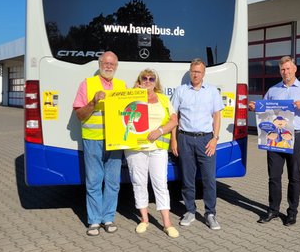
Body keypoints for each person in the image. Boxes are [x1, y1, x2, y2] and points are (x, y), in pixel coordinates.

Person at [249, 55, 300, 226]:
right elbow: (264, 109)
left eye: (288, 68)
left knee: (294, 176)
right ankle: (273, 210)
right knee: (274, 176)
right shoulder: (273, 90)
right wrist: (254, 107)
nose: (285, 72)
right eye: (282, 69)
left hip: (295, 135)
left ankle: (292, 213)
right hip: (274, 137)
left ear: (295, 69)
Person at [73, 51, 126, 236]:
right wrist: (93, 102)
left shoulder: (121, 86)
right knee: (94, 181)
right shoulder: (87, 84)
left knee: (112, 182)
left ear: (116, 66)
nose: (109, 66)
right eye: (106, 63)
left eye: (112, 64)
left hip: (116, 141)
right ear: (99, 63)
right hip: (93, 139)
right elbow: (79, 115)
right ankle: (94, 221)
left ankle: (108, 218)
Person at [124, 69, 180, 238]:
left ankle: (167, 223)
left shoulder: (163, 98)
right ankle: (144, 220)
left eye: (151, 78)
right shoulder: (129, 96)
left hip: (157, 148)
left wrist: (160, 131)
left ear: (156, 82)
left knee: (160, 184)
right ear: (139, 80)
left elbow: (174, 120)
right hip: (135, 149)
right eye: (144, 78)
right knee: (139, 182)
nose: (148, 81)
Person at [170, 58, 224, 230]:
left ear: (203, 73)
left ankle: (210, 213)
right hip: (185, 138)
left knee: (209, 179)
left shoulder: (212, 92)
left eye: (199, 71)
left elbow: (217, 116)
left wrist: (215, 139)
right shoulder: (180, 91)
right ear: (190, 72)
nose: (195, 74)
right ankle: (190, 211)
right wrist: (174, 140)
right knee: (187, 178)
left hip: (206, 140)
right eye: (193, 71)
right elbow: (174, 117)